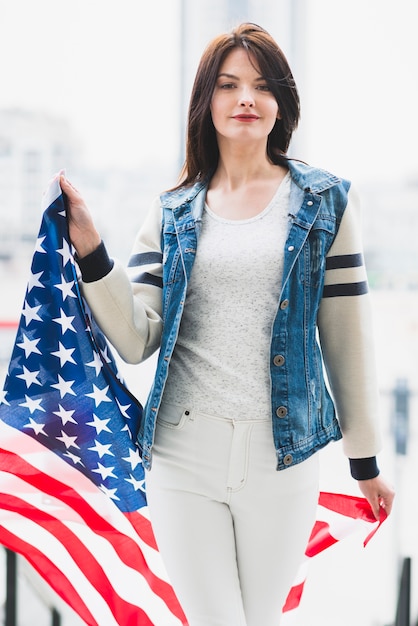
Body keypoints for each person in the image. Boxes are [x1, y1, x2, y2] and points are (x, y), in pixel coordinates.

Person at [60, 22, 394, 626]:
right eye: (229, 84)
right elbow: (137, 337)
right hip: (184, 454)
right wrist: (92, 252)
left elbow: (347, 339)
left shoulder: (326, 203)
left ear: (281, 104)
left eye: (262, 87)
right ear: (206, 102)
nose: (246, 99)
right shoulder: (171, 212)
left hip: (282, 456)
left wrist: (364, 461)